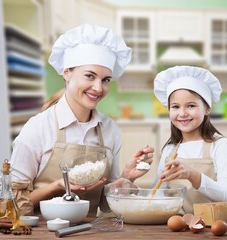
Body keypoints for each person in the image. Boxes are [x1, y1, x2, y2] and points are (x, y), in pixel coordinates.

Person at [9, 24, 154, 216]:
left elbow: (105, 203)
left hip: (89, 231)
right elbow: (13, 204)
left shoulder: (110, 129)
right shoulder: (38, 128)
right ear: (67, 72)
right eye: (90, 76)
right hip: (42, 233)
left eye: (105, 80)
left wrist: (128, 176)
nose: (98, 88)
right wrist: (57, 187)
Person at [153, 65, 227, 213]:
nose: (182, 113)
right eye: (175, 107)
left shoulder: (220, 145)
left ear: (207, 108)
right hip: (177, 226)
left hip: (212, 227)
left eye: (191, 106)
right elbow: (159, 193)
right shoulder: (169, 149)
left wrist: (193, 175)